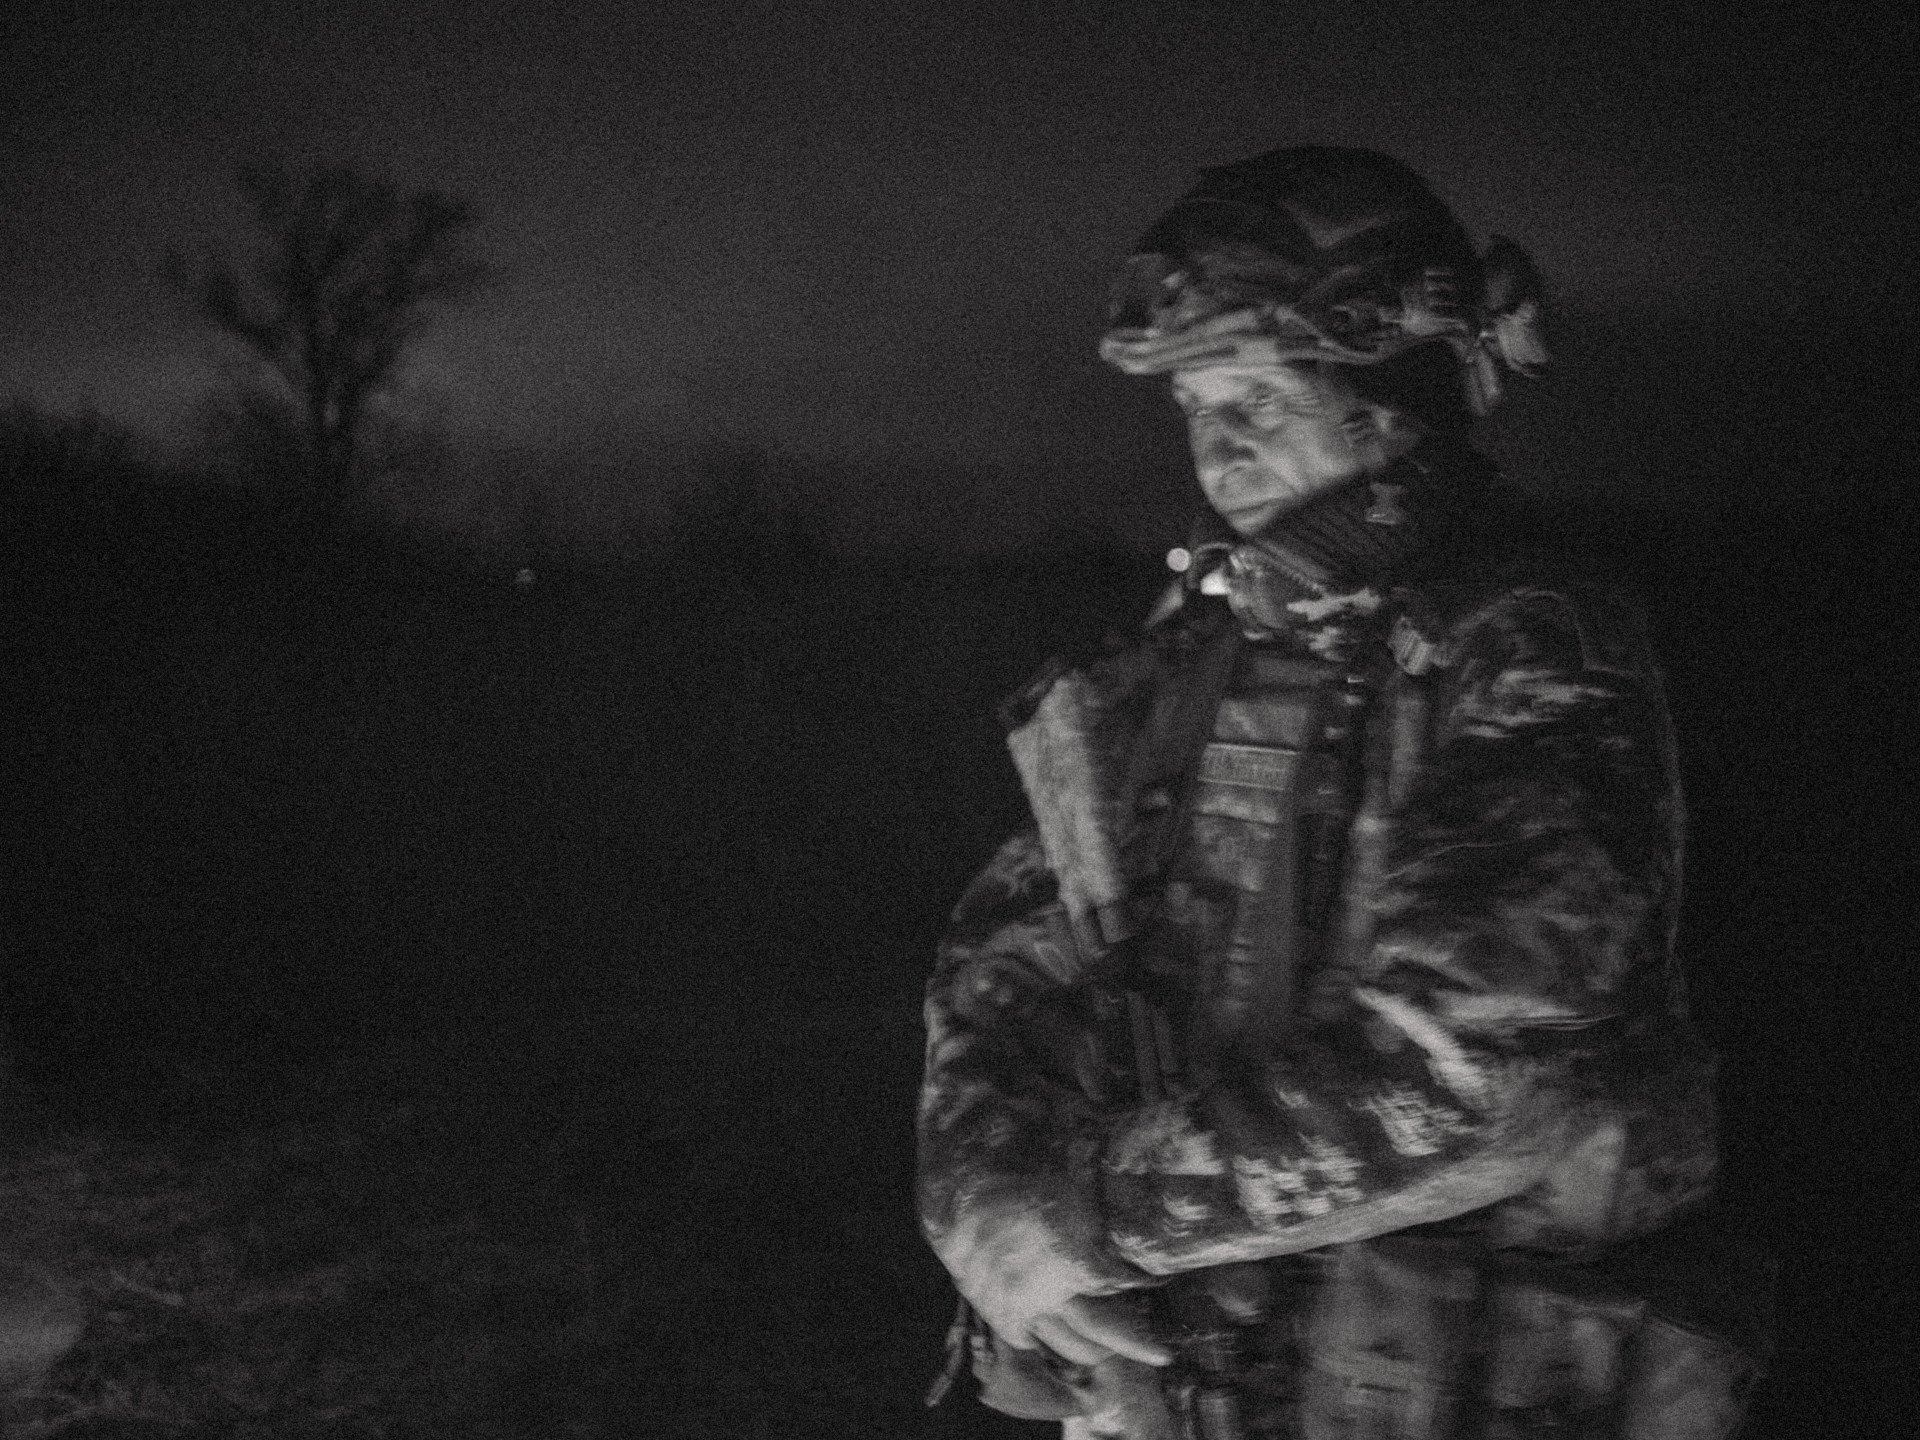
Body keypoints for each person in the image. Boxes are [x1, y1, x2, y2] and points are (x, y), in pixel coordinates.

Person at [916, 147, 1773, 1439]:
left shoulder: (1530, 645)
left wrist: (1091, 1218)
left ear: (1397, 400)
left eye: (1261, 392)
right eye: (1198, 403)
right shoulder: (1174, 674)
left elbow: (1489, 1072)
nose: (1220, 442)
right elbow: (994, 972)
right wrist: (982, 1200)